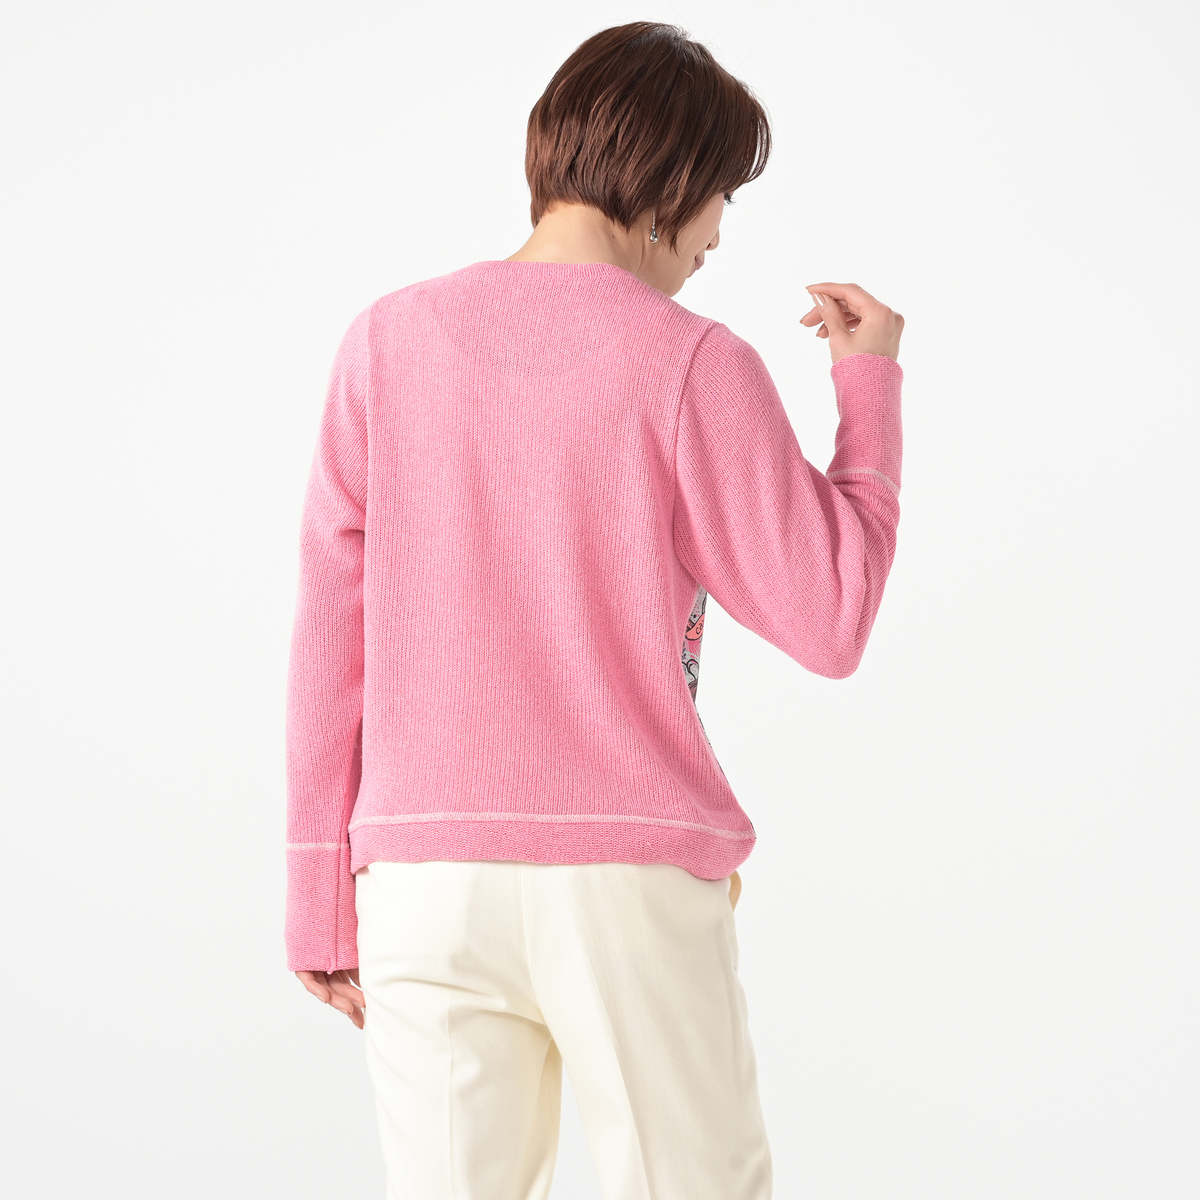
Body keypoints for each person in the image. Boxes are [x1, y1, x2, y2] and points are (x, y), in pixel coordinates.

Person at [285, 20, 903, 1200]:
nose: (718, 236)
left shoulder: (385, 342)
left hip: (421, 875)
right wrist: (867, 386)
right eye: (721, 197)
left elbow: (331, 630)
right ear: (671, 180)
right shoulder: (692, 362)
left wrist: (318, 888)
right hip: (624, 877)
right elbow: (831, 615)